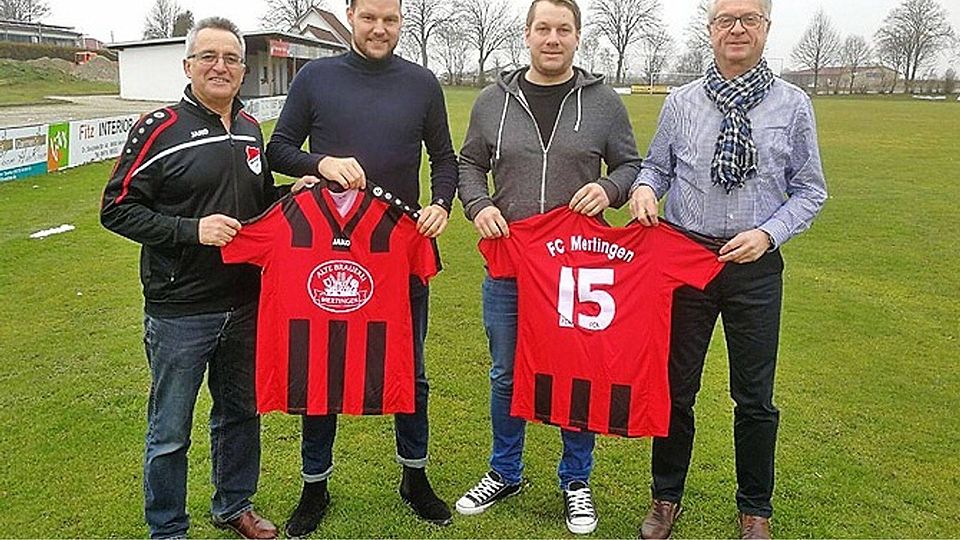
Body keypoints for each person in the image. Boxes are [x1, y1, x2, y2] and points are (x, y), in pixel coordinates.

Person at [100, 17, 314, 540]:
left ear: (243, 70)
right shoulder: (158, 127)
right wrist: (192, 230)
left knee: (240, 413)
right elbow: (116, 209)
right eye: (209, 57)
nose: (221, 67)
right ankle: (168, 527)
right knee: (170, 431)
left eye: (231, 59)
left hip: (244, 303)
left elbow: (253, 204)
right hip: (180, 310)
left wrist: (290, 192)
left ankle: (234, 504)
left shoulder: (248, 127)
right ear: (188, 65)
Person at [629, 0, 828, 538]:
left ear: (766, 28)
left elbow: (811, 190)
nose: (736, 29)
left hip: (755, 268)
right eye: (725, 19)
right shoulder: (681, 102)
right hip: (686, 262)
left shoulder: (792, 104)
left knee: (755, 397)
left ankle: (754, 509)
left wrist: (768, 234)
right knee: (675, 390)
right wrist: (646, 187)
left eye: (749, 19)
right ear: (711, 29)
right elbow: (656, 165)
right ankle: (665, 498)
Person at [265, 0, 458, 534]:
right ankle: (314, 486)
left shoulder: (422, 83)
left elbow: (444, 157)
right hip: (330, 253)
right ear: (350, 15)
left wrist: (441, 202)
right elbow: (277, 150)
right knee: (321, 366)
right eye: (369, 16)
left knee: (408, 367)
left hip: (400, 253)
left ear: (402, 21)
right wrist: (320, 163)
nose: (380, 28)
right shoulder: (315, 77)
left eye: (390, 19)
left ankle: (414, 477)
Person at [455, 0, 641, 534]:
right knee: (505, 372)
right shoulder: (493, 100)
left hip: (578, 270)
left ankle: (576, 480)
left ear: (578, 37)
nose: (552, 38)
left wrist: (609, 188)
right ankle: (504, 470)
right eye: (543, 28)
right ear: (528, 34)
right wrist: (479, 204)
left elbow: (631, 163)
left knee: (577, 372)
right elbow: (470, 163)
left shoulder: (603, 102)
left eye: (563, 29)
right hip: (511, 264)